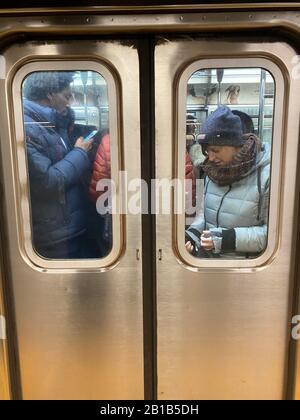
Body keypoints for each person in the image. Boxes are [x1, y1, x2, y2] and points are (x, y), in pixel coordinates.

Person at [23, 71, 97, 259]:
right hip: (55, 233)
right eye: (66, 96)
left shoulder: (50, 123)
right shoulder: (28, 128)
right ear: (50, 94)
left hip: (69, 223)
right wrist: (80, 153)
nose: (69, 101)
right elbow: (47, 181)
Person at [185, 106, 270, 258]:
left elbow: (273, 234)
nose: (210, 158)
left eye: (216, 150)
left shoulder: (265, 175)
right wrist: (192, 235)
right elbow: (204, 215)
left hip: (244, 269)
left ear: (237, 145)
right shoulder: (212, 171)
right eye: (207, 151)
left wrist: (227, 239)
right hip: (206, 263)